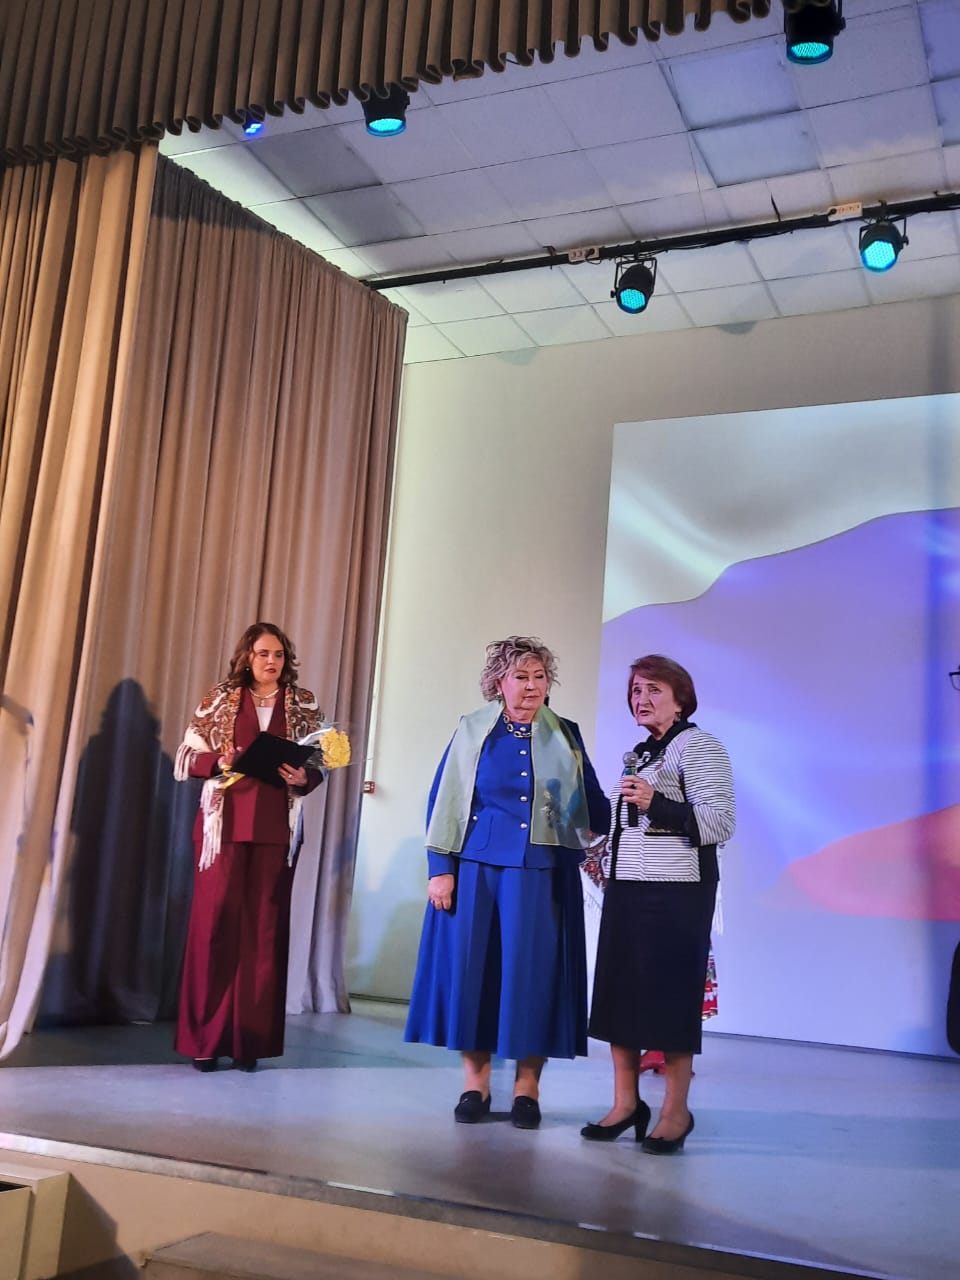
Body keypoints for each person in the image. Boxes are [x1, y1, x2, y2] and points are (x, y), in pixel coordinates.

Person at [405, 636, 610, 1128]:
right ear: (499, 682)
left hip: (543, 872)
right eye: (521, 677)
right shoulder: (473, 729)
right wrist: (440, 869)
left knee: (533, 977)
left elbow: (593, 807)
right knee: (474, 975)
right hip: (476, 869)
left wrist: (596, 806)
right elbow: (443, 799)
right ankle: (474, 1085)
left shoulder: (566, 734)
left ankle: (526, 1089)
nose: (532, 686)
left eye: (540, 677)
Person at [582, 655, 735, 1152]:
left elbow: (720, 822)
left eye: (653, 690)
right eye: (635, 690)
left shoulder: (700, 746)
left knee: (670, 1000)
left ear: (680, 700)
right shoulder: (641, 753)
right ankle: (626, 1104)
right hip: (628, 888)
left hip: (678, 891)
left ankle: (675, 1111)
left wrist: (657, 804)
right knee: (619, 995)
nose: (641, 699)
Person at [173, 622, 324, 1072]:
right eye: (263, 653)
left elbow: (320, 762)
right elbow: (184, 757)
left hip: (275, 829)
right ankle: (205, 1041)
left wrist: (305, 776)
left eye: (278, 654)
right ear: (247, 657)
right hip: (222, 829)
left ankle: (249, 1043)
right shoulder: (220, 699)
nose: (271, 661)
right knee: (214, 929)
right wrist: (216, 761)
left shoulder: (303, 703)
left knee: (264, 933)